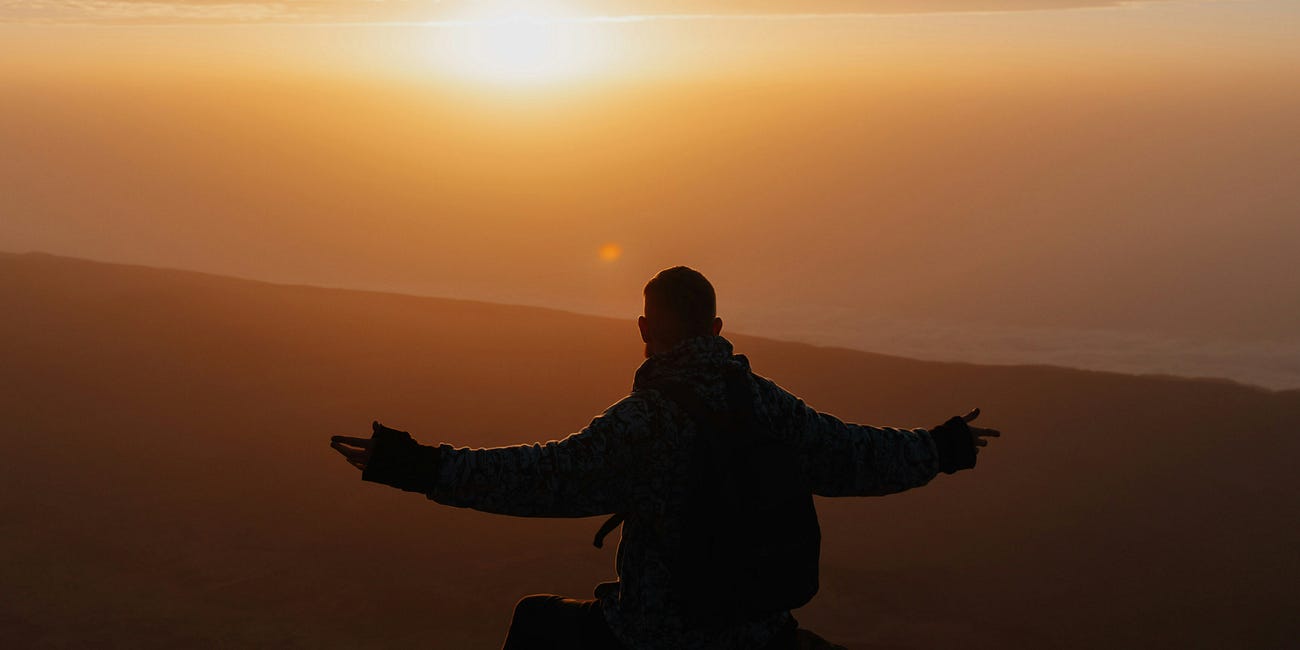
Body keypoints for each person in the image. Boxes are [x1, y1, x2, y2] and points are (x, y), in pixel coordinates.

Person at [330, 266, 1000, 650]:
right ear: (715, 330)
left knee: (536, 622)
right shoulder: (773, 408)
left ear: (647, 331)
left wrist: (412, 465)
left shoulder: (644, 423)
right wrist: (942, 447)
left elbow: (535, 480)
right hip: (761, 631)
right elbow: (862, 456)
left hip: (654, 636)